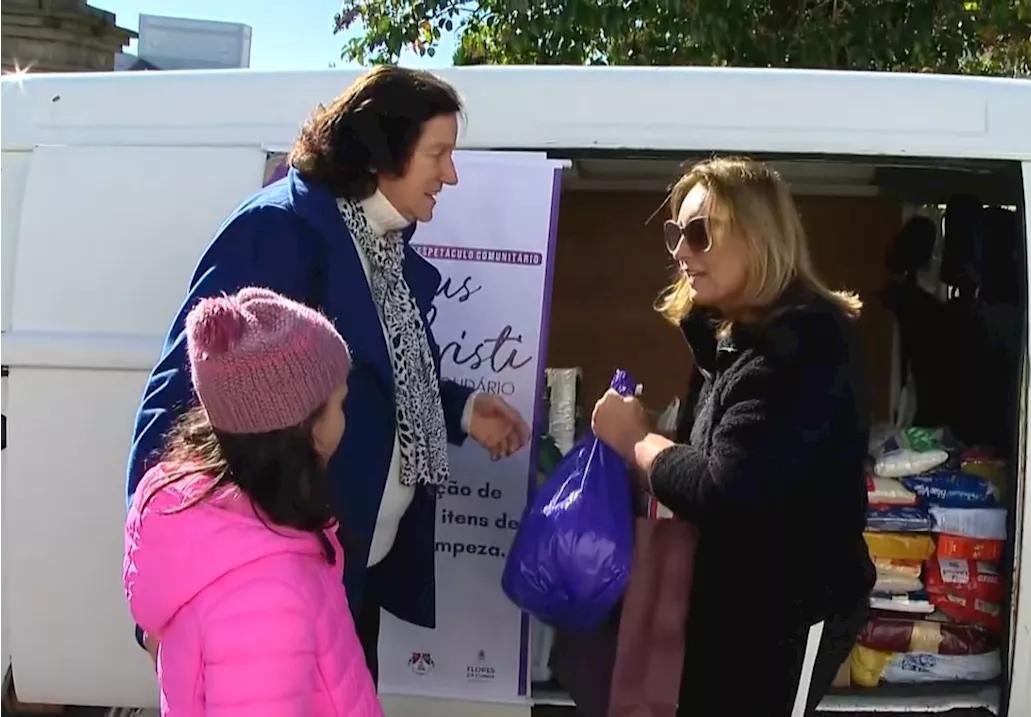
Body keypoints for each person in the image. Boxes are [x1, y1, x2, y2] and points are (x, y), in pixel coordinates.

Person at [124, 66, 531, 681]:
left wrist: (464, 410)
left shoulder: (379, 242)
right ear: (382, 151)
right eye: (438, 154)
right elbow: (178, 397)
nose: (450, 175)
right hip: (283, 575)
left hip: (345, 566)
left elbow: (374, 371)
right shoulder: (280, 230)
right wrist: (157, 588)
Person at [590, 157, 876, 716]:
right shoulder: (737, 335)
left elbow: (727, 488)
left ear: (758, 236)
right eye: (676, 232)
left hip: (784, 614)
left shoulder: (800, 344)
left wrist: (637, 438)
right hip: (736, 607)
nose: (679, 250)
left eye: (699, 232)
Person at [123, 288, 381, 716]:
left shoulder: (212, 521)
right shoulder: (267, 599)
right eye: (340, 403)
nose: (345, 418)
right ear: (302, 429)